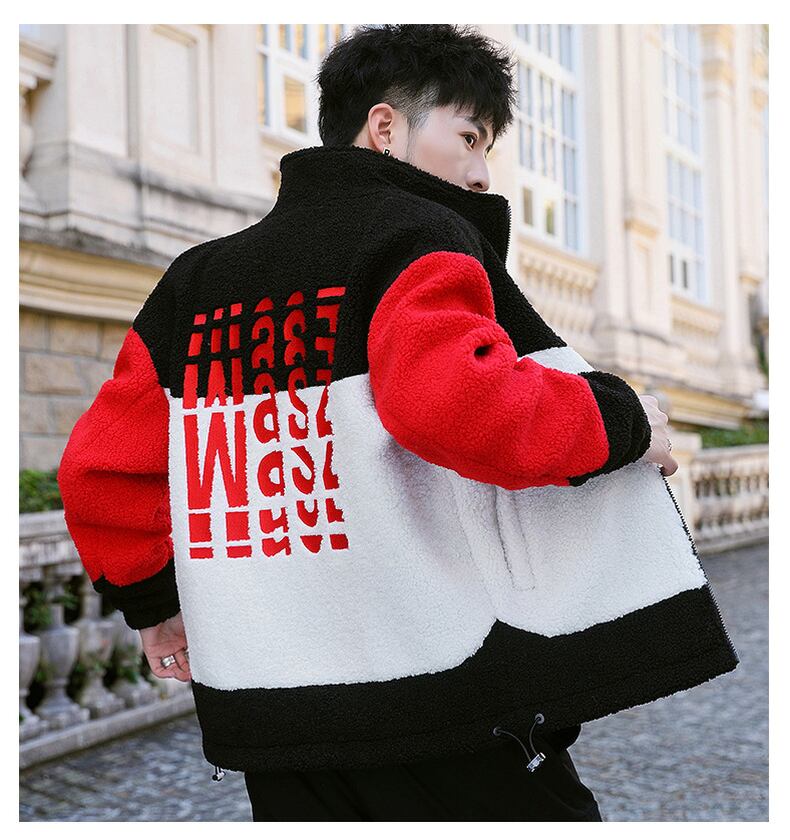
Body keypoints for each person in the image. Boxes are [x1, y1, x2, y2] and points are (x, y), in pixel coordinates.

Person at [58, 24, 737, 822]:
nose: (481, 173)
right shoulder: (414, 237)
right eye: (470, 137)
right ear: (385, 128)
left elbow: (98, 472)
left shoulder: (194, 283)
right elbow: (459, 405)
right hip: (441, 695)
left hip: (277, 714)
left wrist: (153, 603)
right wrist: (626, 420)